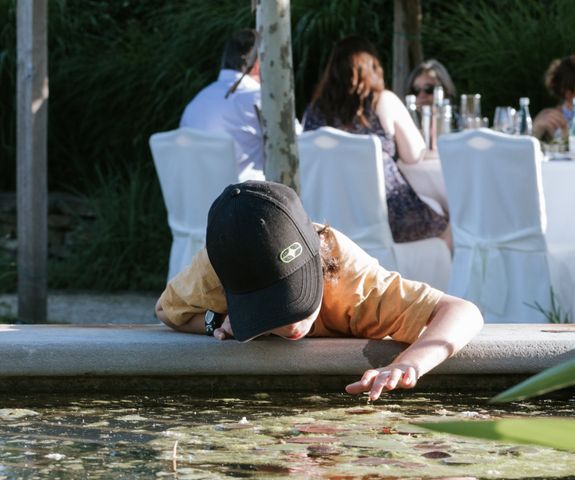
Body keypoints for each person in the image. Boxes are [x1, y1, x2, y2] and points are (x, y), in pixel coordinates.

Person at [155, 181, 483, 401]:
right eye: (268, 308)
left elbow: (462, 312)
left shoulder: (353, 281)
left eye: (294, 298)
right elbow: (167, 311)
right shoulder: (214, 271)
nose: (290, 326)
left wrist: (408, 364)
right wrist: (216, 319)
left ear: (319, 262)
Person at [302, 36, 451, 249]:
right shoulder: (383, 101)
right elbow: (415, 154)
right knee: (457, 224)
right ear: (373, 67)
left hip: (326, 220)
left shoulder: (313, 111)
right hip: (388, 217)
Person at [180, 29, 265, 182]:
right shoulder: (259, 98)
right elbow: (302, 149)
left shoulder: (195, 104)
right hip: (250, 201)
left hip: (197, 203)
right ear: (258, 65)